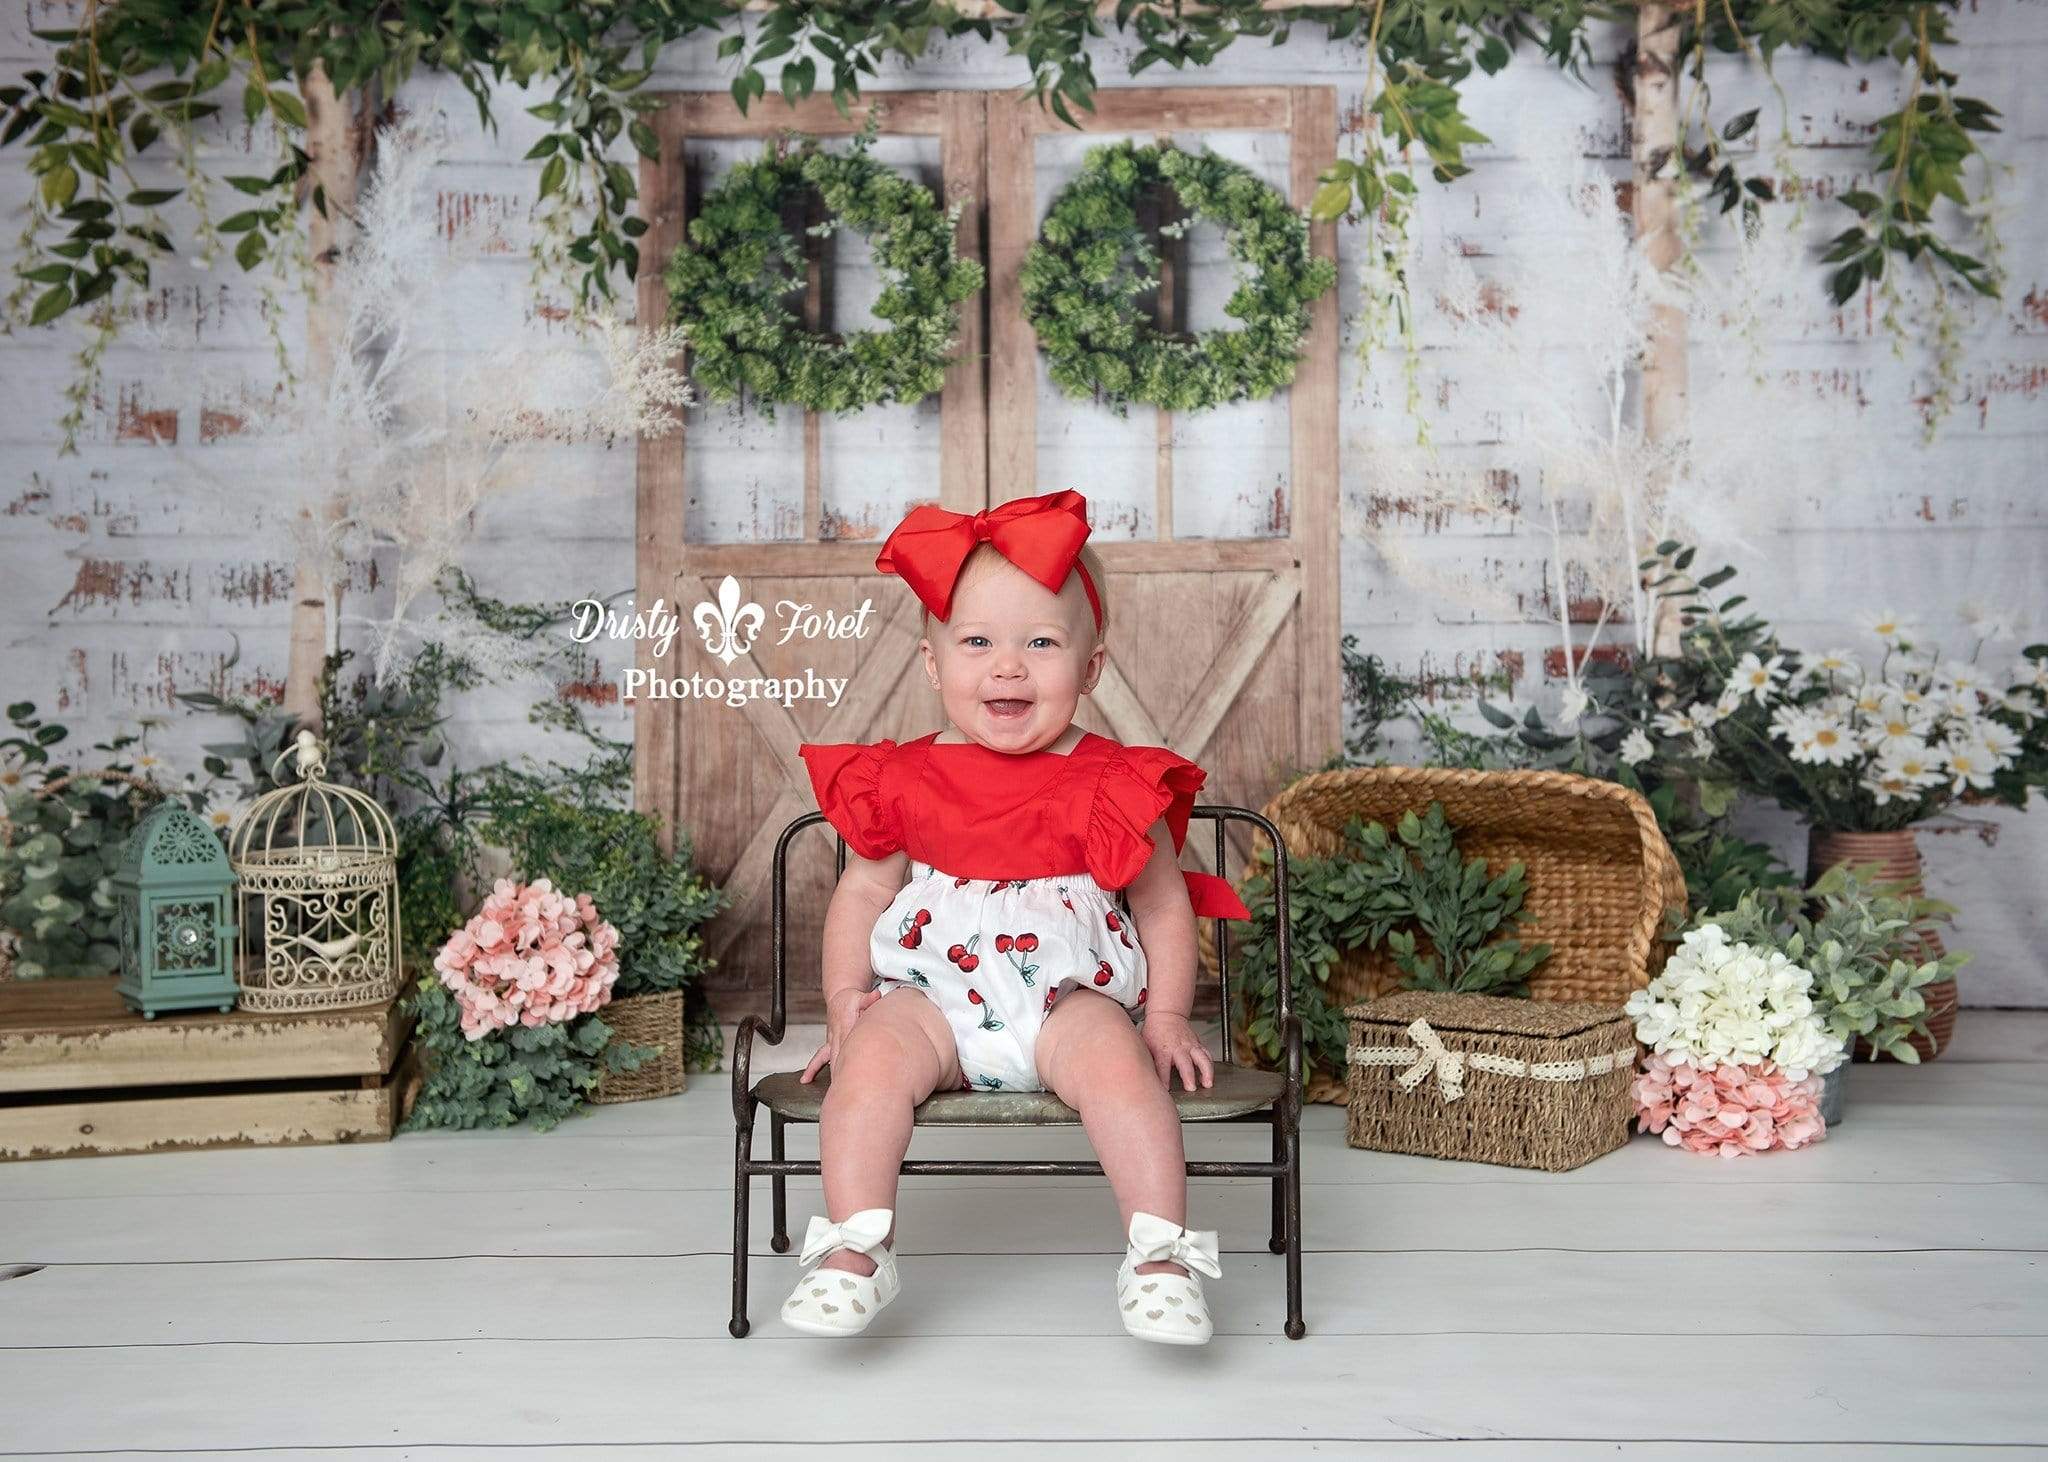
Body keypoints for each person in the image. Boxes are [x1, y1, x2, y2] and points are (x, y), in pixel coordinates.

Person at [783, 488, 1253, 1345]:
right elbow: (859, 894)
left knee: (1123, 1076)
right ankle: (857, 1247)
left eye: (1041, 643)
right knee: (870, 1070)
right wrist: (847, 998)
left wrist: (1172, 1014)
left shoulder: (1109, 780)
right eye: (977, 643)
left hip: (1065, 1006)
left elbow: (1161, 901)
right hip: (933, 1004)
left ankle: (1160, 1256)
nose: (1008, 667)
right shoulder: (907, 777)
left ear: (1092, 666)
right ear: (933, 663)